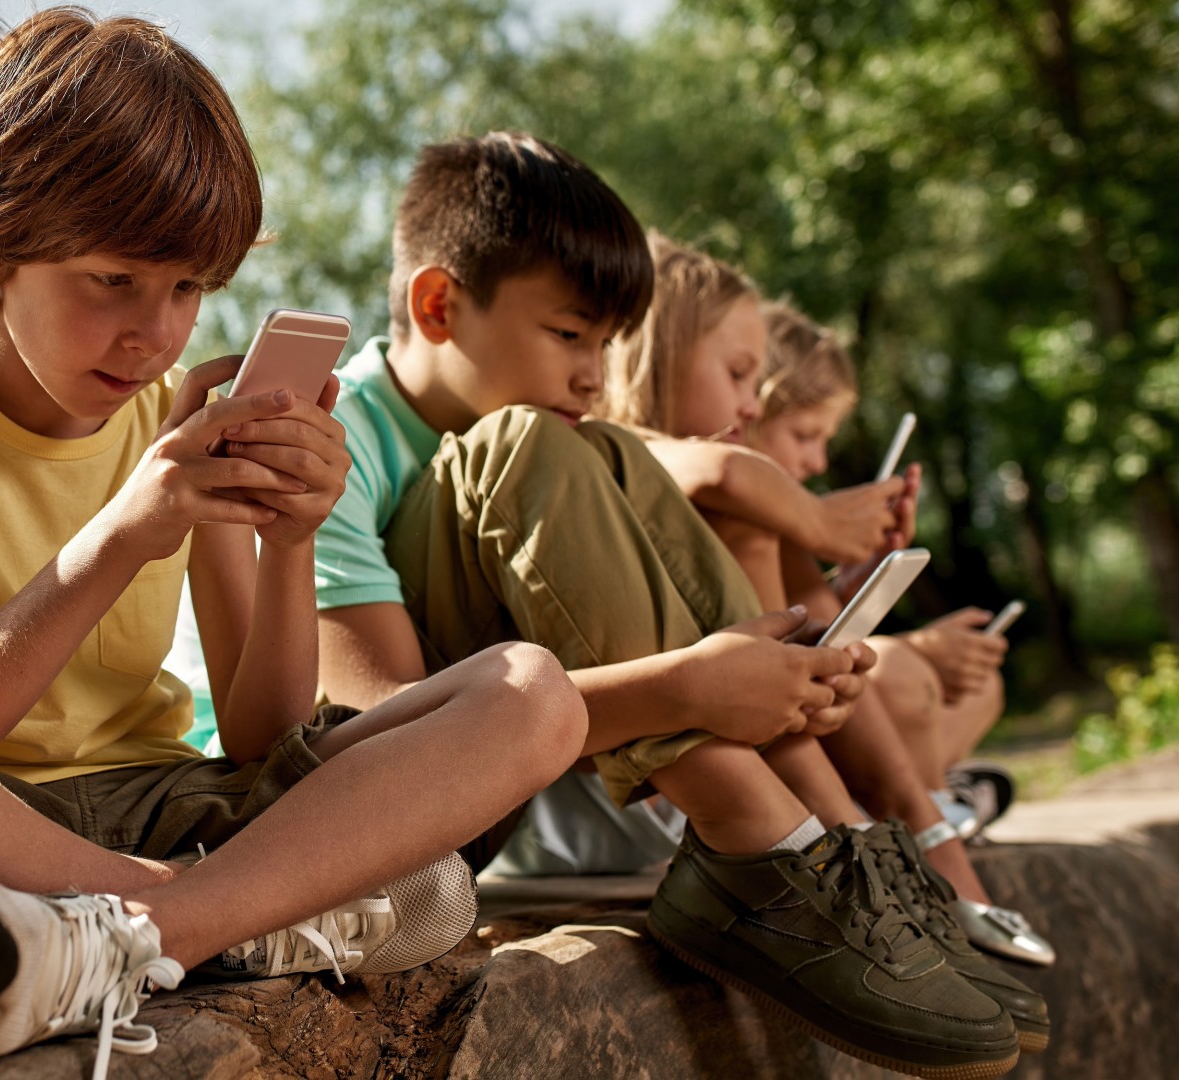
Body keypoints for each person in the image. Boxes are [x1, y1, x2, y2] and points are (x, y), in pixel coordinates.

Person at [0, 11, 587, 1076]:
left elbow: (262, 735)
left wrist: (292, 540)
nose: (156, 333)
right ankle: (212, 914)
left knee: (534, 693)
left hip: (170, 806)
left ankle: (152, 933)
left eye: (188, 288)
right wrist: (122, 534)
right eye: (114, 281)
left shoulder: (180, 411)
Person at [306, 131, 1028, 1075]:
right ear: (439, 305)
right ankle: (757, 843)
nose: (592, 375)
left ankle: (832, 848)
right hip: (369, 827)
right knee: (527, 445)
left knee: (604, 447)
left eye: (607, 345)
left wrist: (776, 684)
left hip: (496, 778)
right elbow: (375, 732)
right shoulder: (336, 439)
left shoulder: (556, 435)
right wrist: (686, 689)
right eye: (569, 335)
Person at [600, 235, 1055, 975]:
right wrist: (815, 521)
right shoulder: (609, 455)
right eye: (739, 374)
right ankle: (891, 835)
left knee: (837, 630)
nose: (750, 402)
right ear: (659, 355)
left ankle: (912, 825)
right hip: (663, 786)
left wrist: (838, 571)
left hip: (724, 759)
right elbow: (726, 471)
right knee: (783, 561)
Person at [750, 304, 1014, 831]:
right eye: (804, 435)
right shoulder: (738, 520)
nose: (818, 462)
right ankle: (937, 807)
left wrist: (852, 582)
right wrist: (919, 650)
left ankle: (937, 797)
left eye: (826, 440)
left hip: (829, 719)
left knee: (982, 687)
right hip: (782, 732)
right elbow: (780, 651)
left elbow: (805, 620)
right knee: (904, 675)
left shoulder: (784, 541)